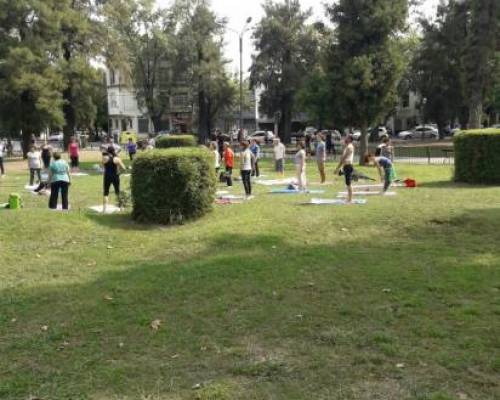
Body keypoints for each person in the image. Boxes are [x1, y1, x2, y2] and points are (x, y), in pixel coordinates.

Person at [102, 146, 126, 213]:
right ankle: (121, 208)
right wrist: (119, 173)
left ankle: (104, 210)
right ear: (113, 151)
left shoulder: (105, 158)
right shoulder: (117, 159)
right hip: (115, 176)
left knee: (106, 193)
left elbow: (103, 166)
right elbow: (124, 168)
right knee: (117, 192)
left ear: (108, 151)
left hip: (107, 176)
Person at [334, 135, 355, 203]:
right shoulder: (347, 146)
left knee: (348, 183)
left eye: (347, 138)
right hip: (346, 166)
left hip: (348, 166)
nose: (345, 138)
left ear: (349, 139)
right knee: (347, 183)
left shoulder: (349, 147)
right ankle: (349, 198)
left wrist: (337, 168)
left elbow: (343, 158)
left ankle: (350, 199)